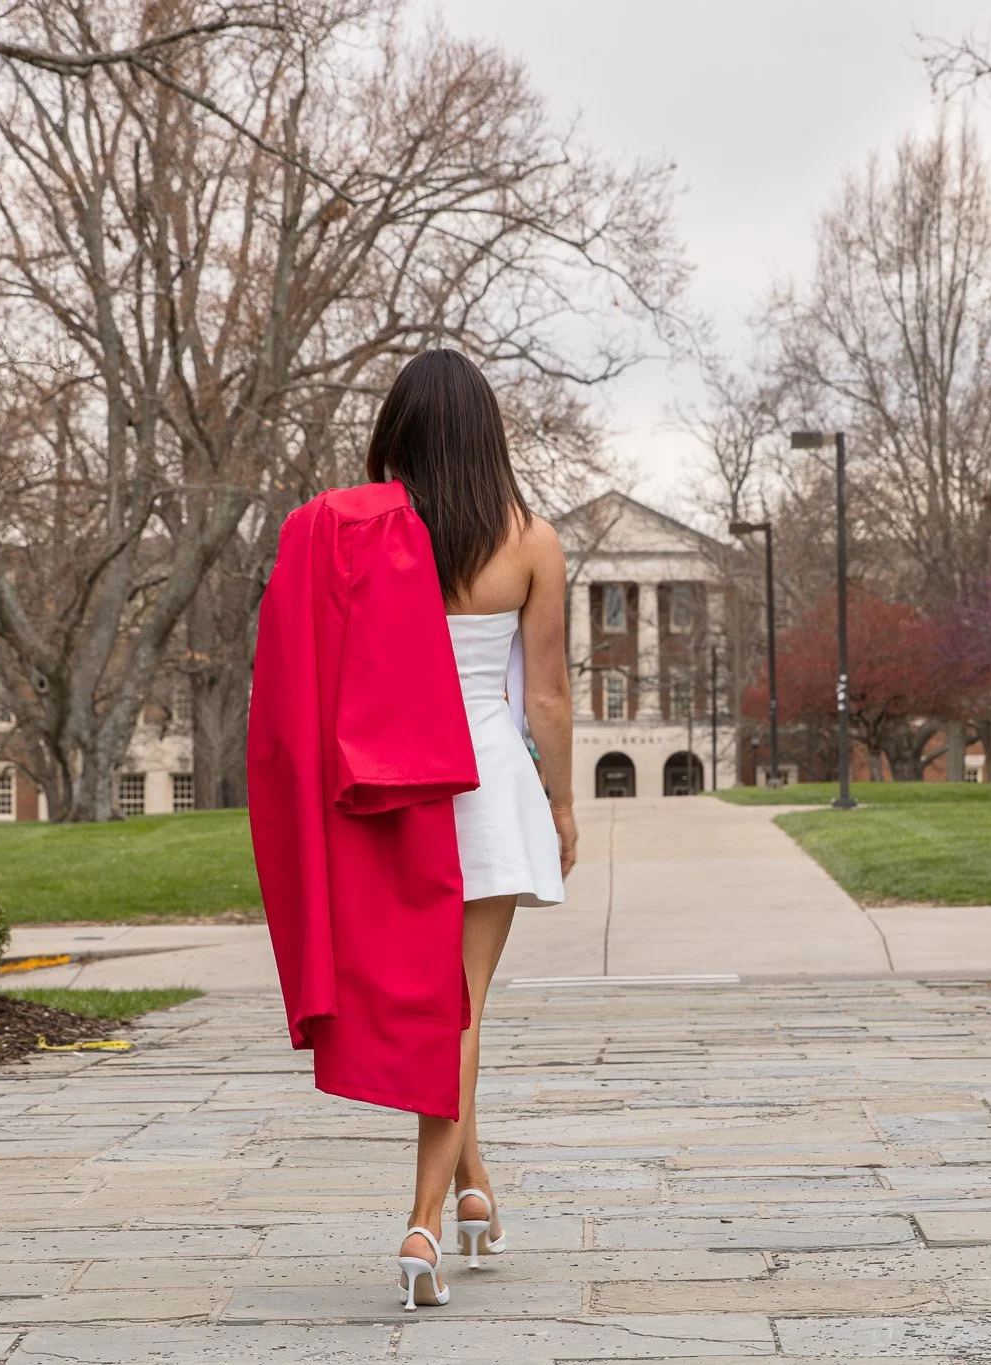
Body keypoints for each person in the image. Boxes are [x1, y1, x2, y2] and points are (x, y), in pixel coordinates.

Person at [367, 349, 578, 1309]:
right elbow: (548, 696)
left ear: (399, 433)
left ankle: (474, 1190)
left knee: (445, 1001)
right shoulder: (532, 539)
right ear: (488, 432)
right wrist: (564, 804)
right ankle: (423, 1219)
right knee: (459, 1002)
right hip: (486, 786)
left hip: (395, 789)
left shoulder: (370, 538)